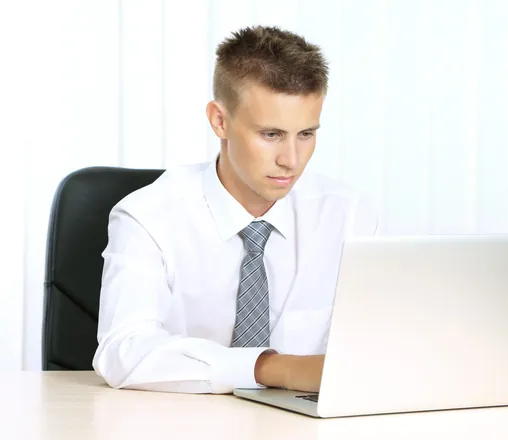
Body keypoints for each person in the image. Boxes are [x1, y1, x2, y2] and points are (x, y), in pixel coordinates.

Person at [92, 25, 379, 395]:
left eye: (306, 134)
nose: (291, 160)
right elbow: (122, 351)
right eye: (271, 134)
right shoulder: (148, 217)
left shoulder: (349, 214)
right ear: (220, 121)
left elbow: (377, 344)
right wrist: (272, 368)